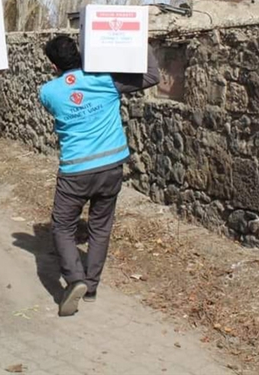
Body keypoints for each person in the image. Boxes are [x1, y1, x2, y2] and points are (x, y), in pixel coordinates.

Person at [39, 35, 160, 317]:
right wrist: (140, 40)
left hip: (75, 171)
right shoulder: (105, 80)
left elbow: (59, 107)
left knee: (62, 226)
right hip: (110, 167)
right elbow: (152, 75)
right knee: (100, 225)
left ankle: (75, 279)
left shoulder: (48, 91)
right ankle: (91, 286)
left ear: (53, 65)